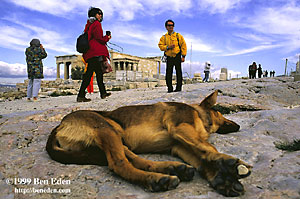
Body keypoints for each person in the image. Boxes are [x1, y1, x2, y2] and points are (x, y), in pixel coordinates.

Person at [77, 7, 111, 102]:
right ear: (94, 15)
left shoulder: (89, 24)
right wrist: (107, 38)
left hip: (90, 53)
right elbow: (99, 38)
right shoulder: (96, 24)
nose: (100, 16)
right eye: (98, 14)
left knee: (99, 73)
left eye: (101, 14)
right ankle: (80, 95)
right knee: (89, 75)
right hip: (95, 52)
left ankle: (103, 93)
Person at [158, 19, 187, 93]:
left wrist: (183, 56)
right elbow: (160, 46)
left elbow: (183, 45)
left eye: (172, 25)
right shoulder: (164, 37)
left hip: (177, 56)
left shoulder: (178, 36)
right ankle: (169, 88)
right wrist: (168, 47)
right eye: (169, 25)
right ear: (166, 27)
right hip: (169, 57)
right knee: (168, 73)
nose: (171, 27)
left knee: (178, 72)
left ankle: (178, 88)